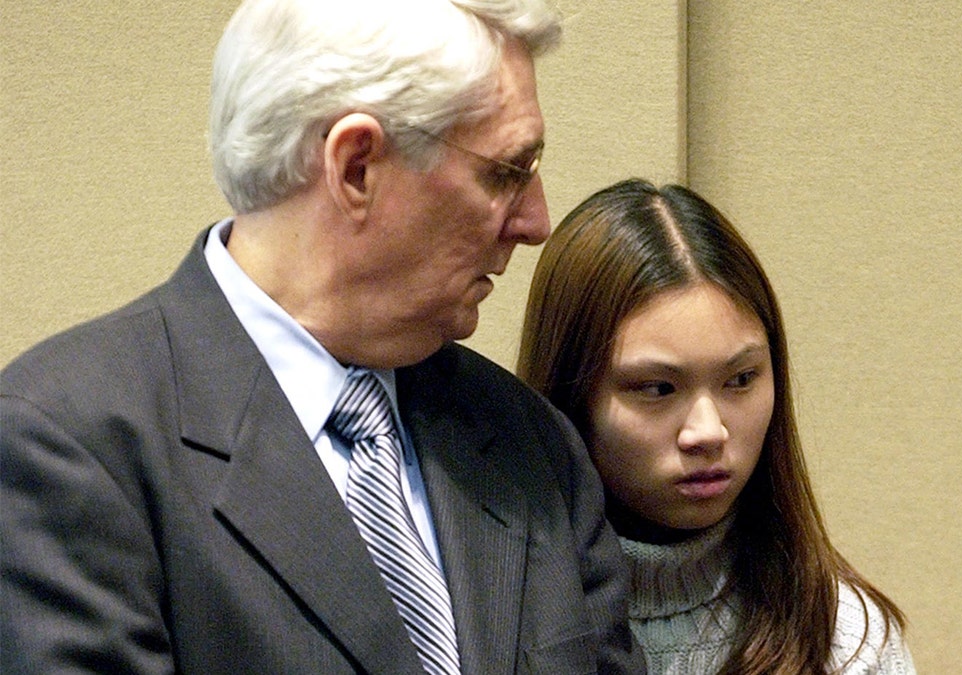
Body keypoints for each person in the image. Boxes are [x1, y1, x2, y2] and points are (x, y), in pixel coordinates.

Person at [0, 1, 645, 673]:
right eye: (506, 172)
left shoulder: (532, 444)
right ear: (356, 167)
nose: (537, 221)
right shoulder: (68, 447)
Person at [517, 179, 917, 674]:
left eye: (741, 379)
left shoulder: (844, 640)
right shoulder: (489, 620)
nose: (708, 433)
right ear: (571, 393)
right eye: (658, 388)